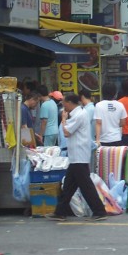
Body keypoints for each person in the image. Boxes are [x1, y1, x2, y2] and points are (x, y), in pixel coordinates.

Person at [46, 94, 107, 222]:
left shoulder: (79, 115)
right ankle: (60, 211)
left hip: (79, 155)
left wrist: (63, 119)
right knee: (69, 185)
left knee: (86, 185)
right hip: (76, 156)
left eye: (64, 103)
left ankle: (99, 210)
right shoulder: (78, 114)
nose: (63, 106)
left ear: (70, 103)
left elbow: (67, 132)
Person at [94, 82, 127, 147]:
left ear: (103, 92)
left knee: (104, 157)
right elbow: (123, 123)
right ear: (115, 93)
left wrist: (97, 140)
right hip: (117, 138)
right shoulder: (120, 105)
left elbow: (98, 123)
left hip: (103, 139)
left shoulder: (98, 105)